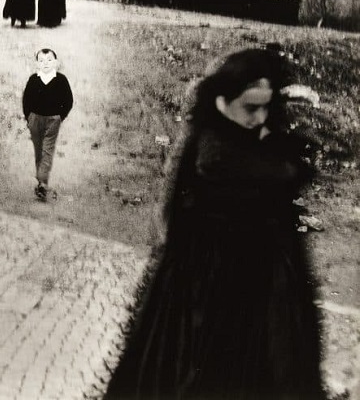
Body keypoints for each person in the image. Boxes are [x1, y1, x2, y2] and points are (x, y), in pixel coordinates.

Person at [104, 48, 325, 400]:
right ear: (223, 101)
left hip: (253, 292)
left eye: (266, 107)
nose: (259, 118)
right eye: (250, 108)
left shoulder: (244, 138)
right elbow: (281, 173)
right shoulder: (213, 149)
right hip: (210, 293)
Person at [22, 48, 73, 201]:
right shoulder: (33, 79)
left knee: (47, 150)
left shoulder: (61, 80)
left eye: (49, 60)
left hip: (53, 120)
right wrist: (29, 117)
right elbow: (26, 100)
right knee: (38, 150)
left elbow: (68, 101)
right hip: (35, 119)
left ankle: (42, 182)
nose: (46, 64)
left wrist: (60, 117)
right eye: (42, 61)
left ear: (56, 63)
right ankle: (41, 182)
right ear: (37, 64)